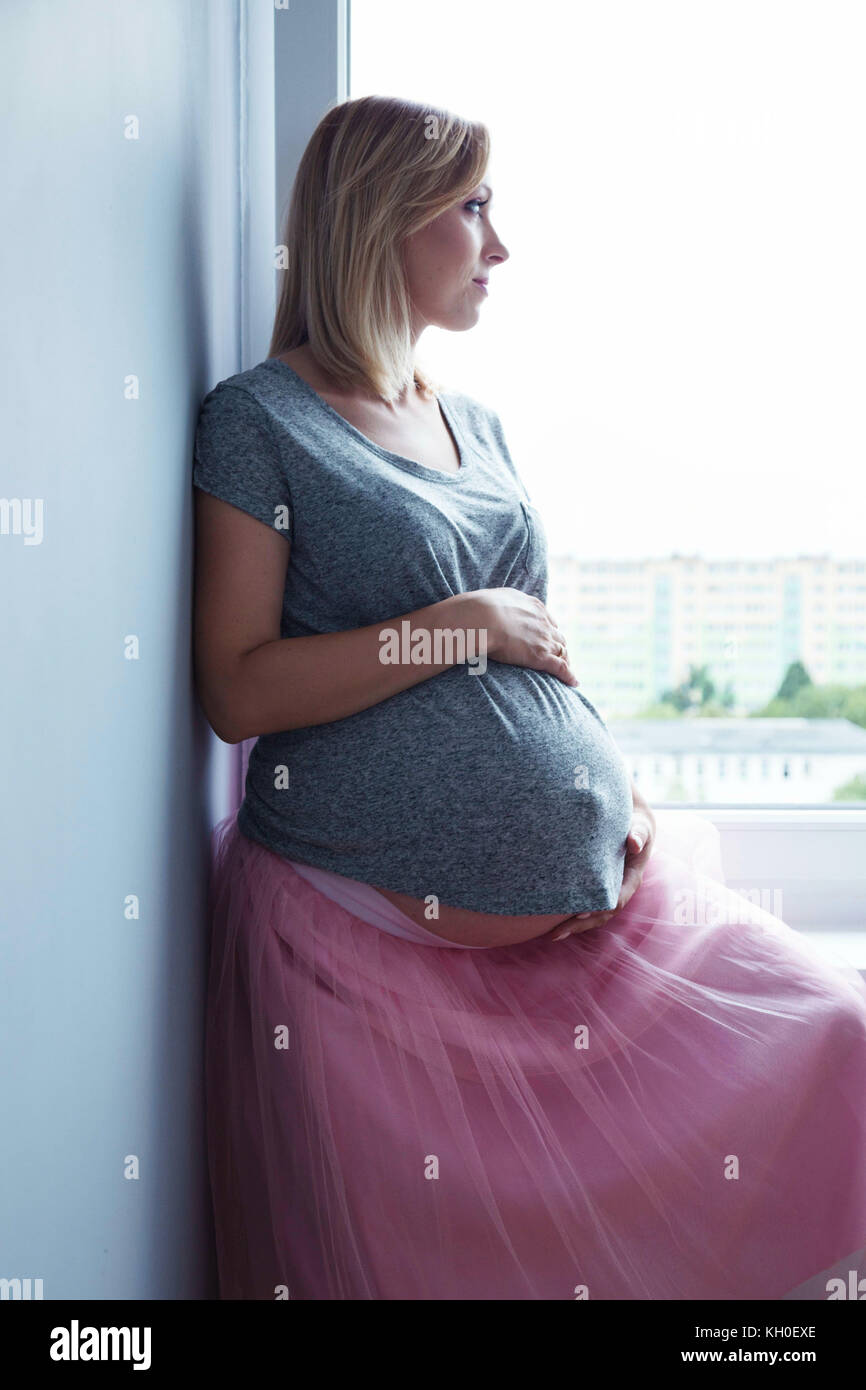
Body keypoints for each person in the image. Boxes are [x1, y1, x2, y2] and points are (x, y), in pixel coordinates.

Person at [193, 94, 866, 1300]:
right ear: (381, 220)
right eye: (473, 209)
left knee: (832, 1031)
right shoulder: (260, 421)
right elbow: (237, 689)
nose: (497, 247)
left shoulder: (478, 425)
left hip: (595, 912)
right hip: (370, 950)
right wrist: (452, 630)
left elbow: (534, 652)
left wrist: (616, 789)